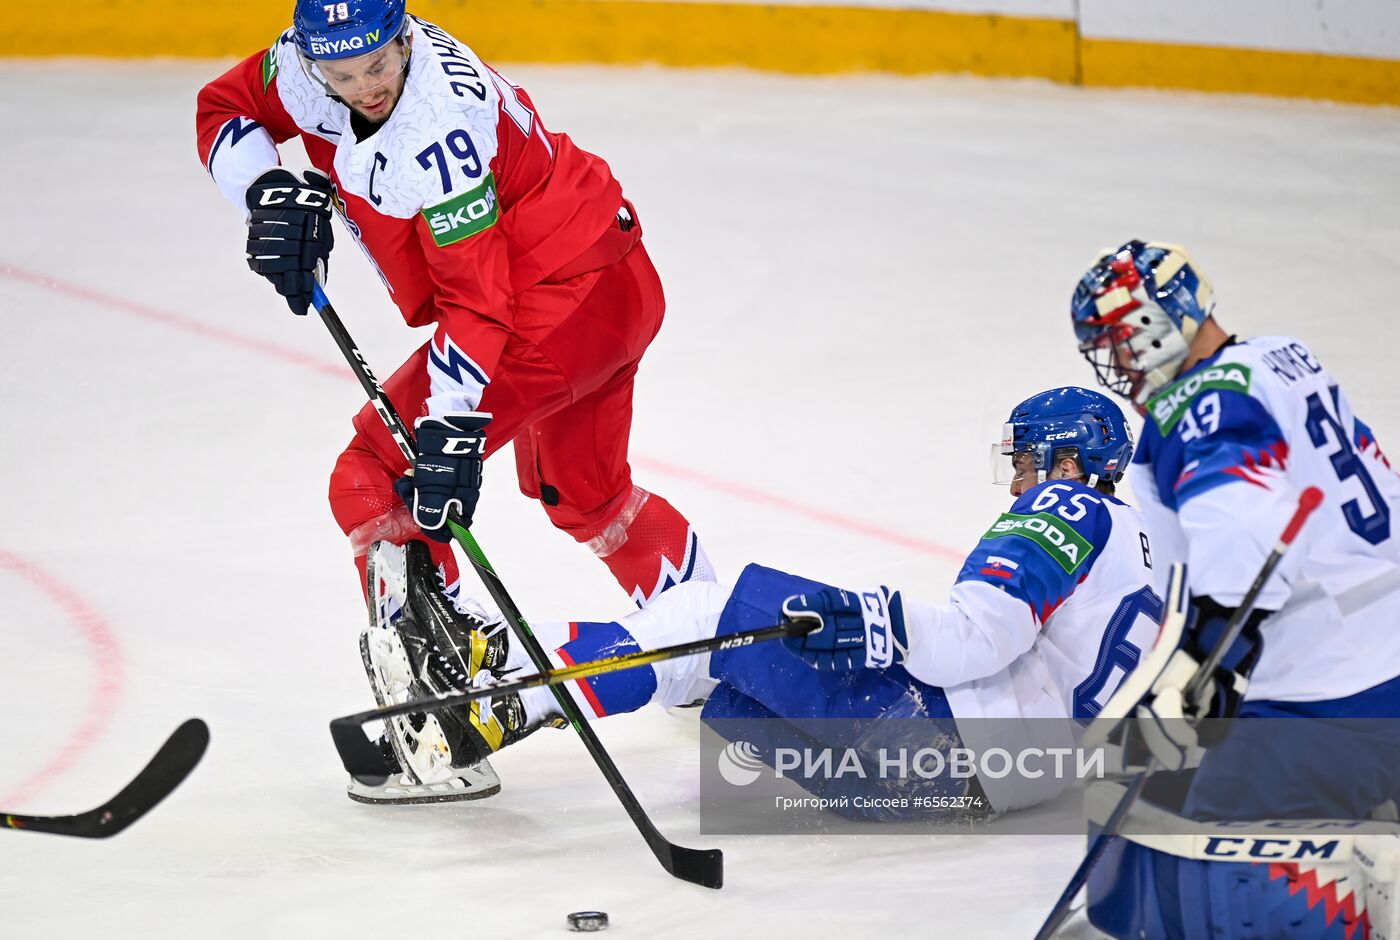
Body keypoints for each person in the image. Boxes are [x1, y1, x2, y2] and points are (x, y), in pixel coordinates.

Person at [195, 1, 718, 799]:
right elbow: (226, 105)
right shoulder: (304, 67)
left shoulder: (439, 131)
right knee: (585, 494)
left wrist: (448, 431)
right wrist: (268, 192)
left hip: (554, 303)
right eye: (343, 72)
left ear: (405, 37)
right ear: (307, 59)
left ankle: (447, 718)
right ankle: (711, 648)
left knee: (374, 474)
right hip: (609, 277)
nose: (367, 85)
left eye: (380, 62)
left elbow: (479, 305)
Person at [359, 387, 1166, 820]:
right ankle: (500, 670)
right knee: (723, 684)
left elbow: (975, 640)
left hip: (934, 735)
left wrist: (875, 621)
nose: (1019, 479)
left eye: (1027, 459)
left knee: (705, 617)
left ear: (1069, 459)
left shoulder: (1070, 509)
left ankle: (493, 695)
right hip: (967, 787)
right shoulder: (1150, 547)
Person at [1069, 240, 1400, 938]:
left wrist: (1210, 664)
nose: (1119, 364)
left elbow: (1245, 532)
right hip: (1380, 644)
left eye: (1122, 340)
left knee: (1188, 855)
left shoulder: (1197, 404)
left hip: (1335, 691)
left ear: (1164, 318)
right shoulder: (1283, 354)